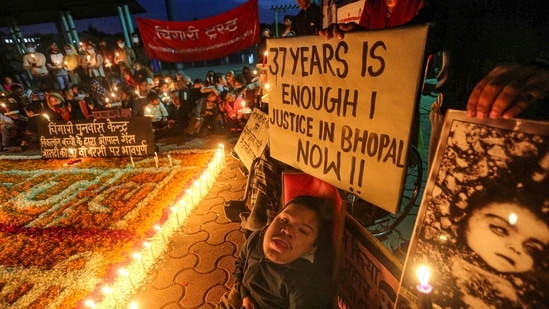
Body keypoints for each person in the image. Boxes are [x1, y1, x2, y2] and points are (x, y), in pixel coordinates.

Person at [319, 0, 549, 169]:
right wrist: (368, 40)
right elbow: (430, 28)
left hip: (530, 116)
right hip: (453, 110)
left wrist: (540, 67)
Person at [217, 195, 335, 309]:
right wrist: (245, 295)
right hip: (243, 292)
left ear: (312, 247)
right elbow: (240, 263)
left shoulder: (307, 284)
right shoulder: (258, 237)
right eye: (284, 220)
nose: (287, 230)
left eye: (303, 231)